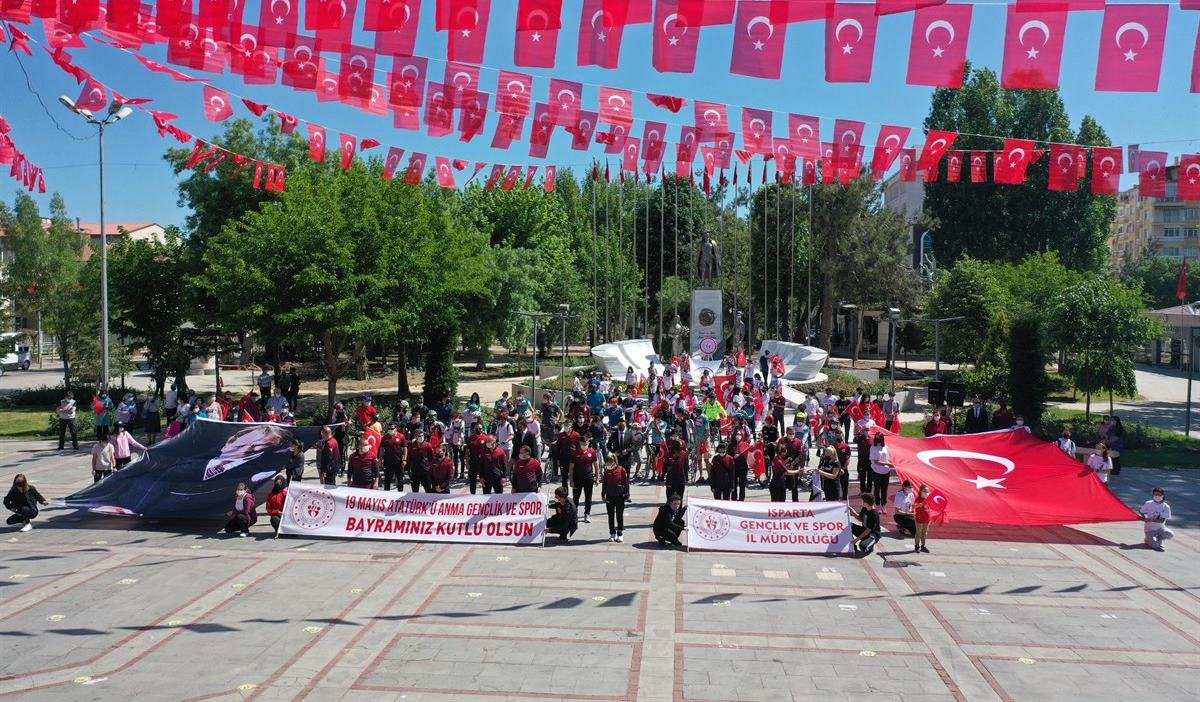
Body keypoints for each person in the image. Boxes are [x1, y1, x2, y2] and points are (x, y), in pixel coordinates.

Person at [569, 437, 599, 523]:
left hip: (588, 478)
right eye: (582, 444)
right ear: (579, 443)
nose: (584, 445)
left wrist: (597, 478)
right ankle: (574, 514)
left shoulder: (592, 452)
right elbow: (571, 467)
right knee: (576, 498)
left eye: (586, 444)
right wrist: (571, 480)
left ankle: (587, 514)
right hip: (577, 478)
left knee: (588, 497)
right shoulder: (575, 452)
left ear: (589, 442)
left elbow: (596, 466)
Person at [601, 453, 629, 542]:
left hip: (619, 496)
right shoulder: (606, 471)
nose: (607, 464)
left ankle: (620, 533)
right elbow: (604, 483)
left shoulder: (622, 470)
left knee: (619, 515)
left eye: (609, 462)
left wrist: (626, 494)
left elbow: (626, 483)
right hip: (609, 496)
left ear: (614, 462)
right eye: (606, 463)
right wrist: (603, 493)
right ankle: (612, 533)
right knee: (611, 515)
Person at [1139, 487, 1173, 551]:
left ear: (1163, 495)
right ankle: (1148, 539)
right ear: (1153, 495)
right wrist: (1144, 518)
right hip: (1149, 529)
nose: (1157, 496)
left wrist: (1150, 520)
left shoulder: (1166, 507)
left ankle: (1159, 538)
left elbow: (1162, 520)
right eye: (1155, 495)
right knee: (1155, 546)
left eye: (1159, 495)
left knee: (1170, 534)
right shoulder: (1148, 503)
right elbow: (1141, 511)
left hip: (1160, 528)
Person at [868, 433, 894, 513]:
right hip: (877, 471)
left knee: (884, 489)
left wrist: (891, 463)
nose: (878, 442)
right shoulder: (873, 448)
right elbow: (876, 461)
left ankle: (883, 505)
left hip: (886, 471)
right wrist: (887, 464)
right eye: (877, 440)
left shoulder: (885, 447)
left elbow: (888, 458)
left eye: (880, 440)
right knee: (877, 488)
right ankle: (878, 505)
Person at [381, 424, 407, 491]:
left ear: (396, 428)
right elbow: (382, 449)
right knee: (387, 480)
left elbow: (404, 449)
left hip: (398, 462)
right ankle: (386, 495)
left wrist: (404, 459)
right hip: (388, 461)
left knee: (400, 479)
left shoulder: (401, 436)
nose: (390, 430)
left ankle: (400, 494)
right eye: (389, 428)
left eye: (392, 428)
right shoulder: (385, 437)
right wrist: (380, 459)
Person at [913, 484, 933, 553]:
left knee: (924, 533)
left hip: (927, 519)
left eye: (928, 491)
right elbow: (914, 507)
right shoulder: (918, 499)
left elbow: (930, 508)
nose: (927, 493)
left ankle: (923, 546)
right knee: (918, 533)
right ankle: (917, 546)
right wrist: (919, 505)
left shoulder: (928, 499)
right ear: (921, 491)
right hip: (919, 519)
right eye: (925, 491)